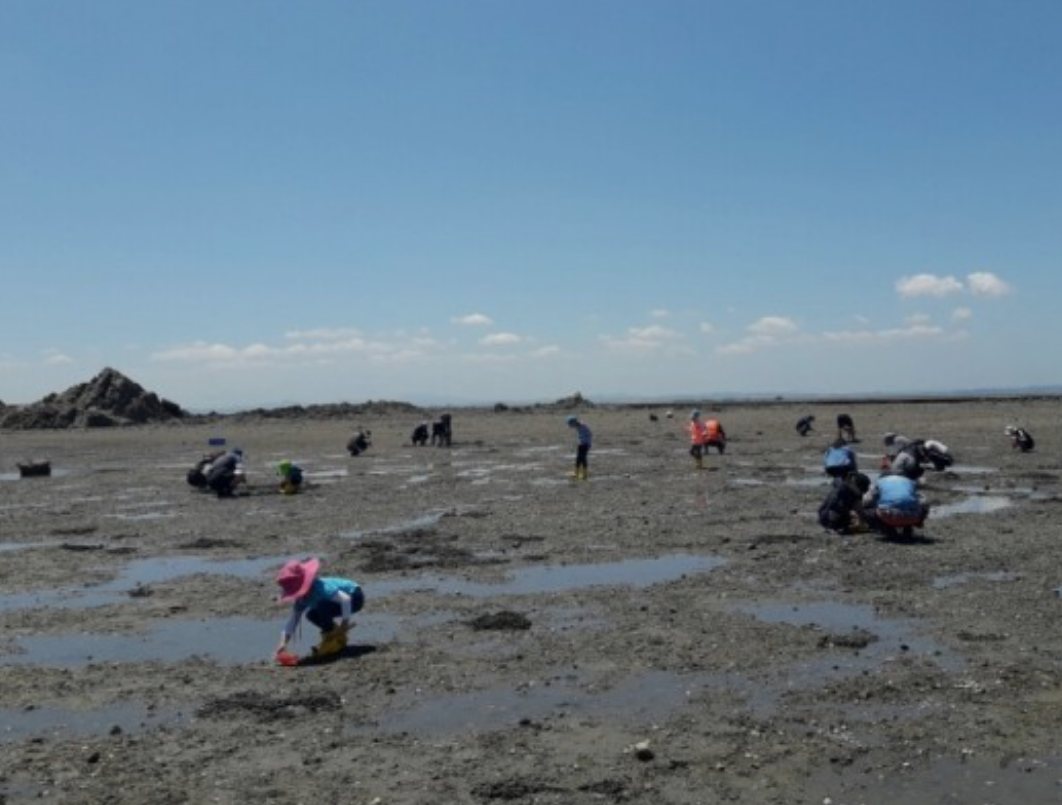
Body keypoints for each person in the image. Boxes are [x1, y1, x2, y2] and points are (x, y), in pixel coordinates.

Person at [274, 558, 364, 663]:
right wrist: (282, 643)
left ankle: (331, 639)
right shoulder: (301, 600)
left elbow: (346, 599)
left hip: (355, 597)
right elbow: (292, 622)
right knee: (311, 614)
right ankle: (335, 637)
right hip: (337, 603)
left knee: (321, 607)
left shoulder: (321, 588)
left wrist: (344, 624)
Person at [862, 471, 929, 539]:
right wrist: (921, 517)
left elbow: (867, 501)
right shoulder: (910, 482)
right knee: (912, 504)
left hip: (888, 516)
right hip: (914, 517)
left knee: (866, 510)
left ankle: (888, 529)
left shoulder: (879, 482)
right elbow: (924, 501)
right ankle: (908, 528)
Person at [566, 414, 592, 480]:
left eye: (571, 425)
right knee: (578, 459)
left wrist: (587, 443)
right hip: (581, 444)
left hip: (585, 445)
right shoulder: (578, 427)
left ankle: (585, 474)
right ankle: (576, 473)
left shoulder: (583, 425)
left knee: (583, 459)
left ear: (574, 422)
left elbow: (590, 434)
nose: (572, 427)